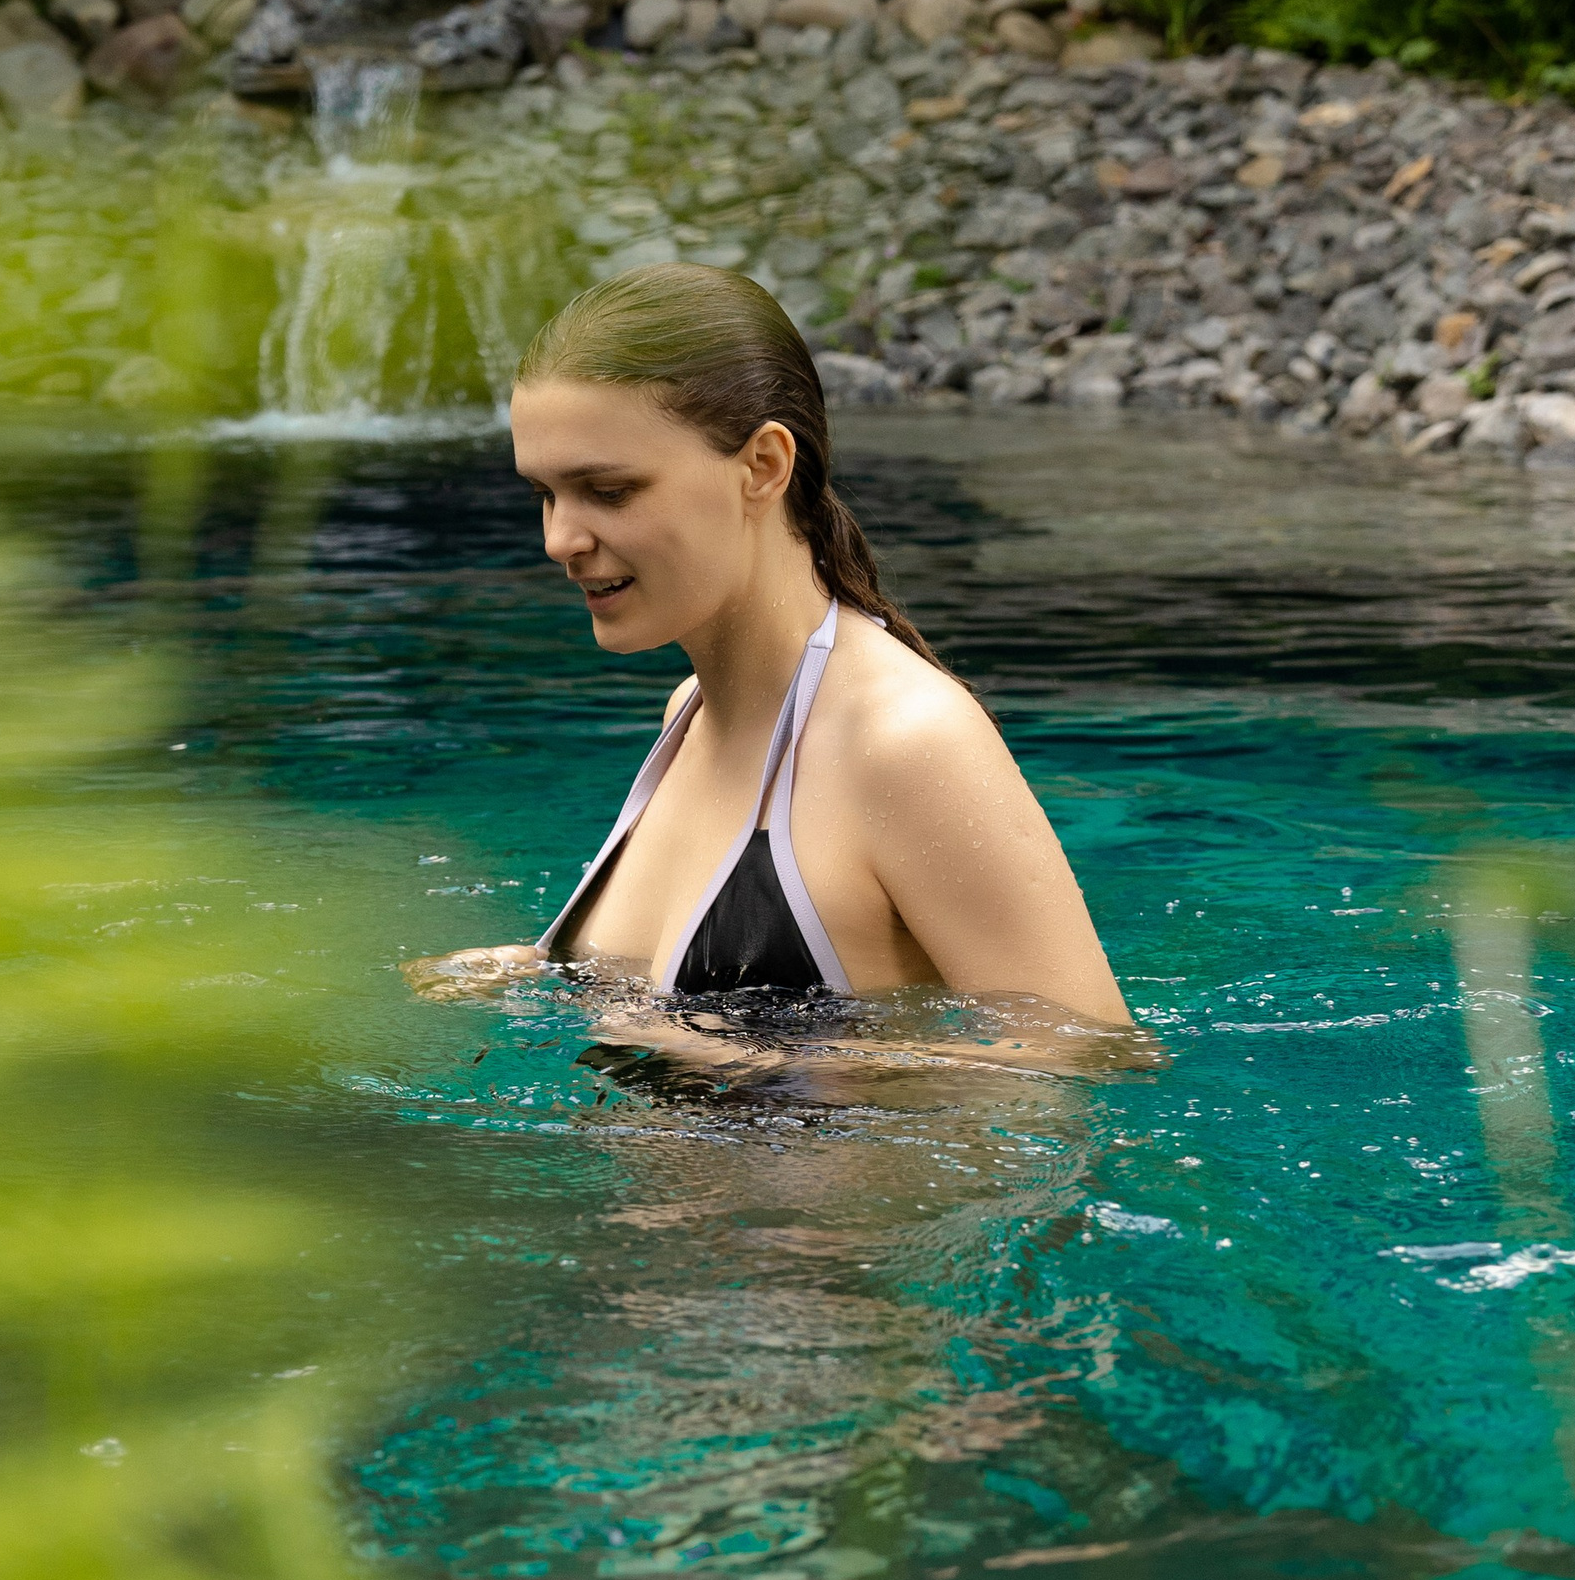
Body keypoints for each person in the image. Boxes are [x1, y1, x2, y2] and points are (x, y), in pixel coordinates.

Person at [409, 263, 1131, 1037]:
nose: (559, 539)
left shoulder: (905, 740)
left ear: (763, 466)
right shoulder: (688, 713)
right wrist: (537, 975)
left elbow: (1083, 1059)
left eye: (609, 491)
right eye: (545, 495)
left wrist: (762, 1061)